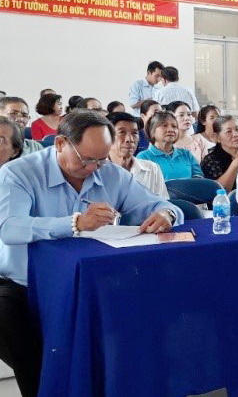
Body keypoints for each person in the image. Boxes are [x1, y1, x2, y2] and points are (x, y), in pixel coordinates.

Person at [0, 110, 182, 397]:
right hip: (26, 286)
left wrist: (165, 214)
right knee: (14, 327)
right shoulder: (19, 173)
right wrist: (74, 223)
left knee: (151, 309)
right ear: (60, 143)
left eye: (101, 159)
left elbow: (161, 205)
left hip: (94, 282)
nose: (94, 168)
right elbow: (11, 228)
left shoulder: (111, 174)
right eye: (86, 160)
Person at [106, 112, 168, 198]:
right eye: (122, 132)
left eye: (134, 133)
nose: (130, 139)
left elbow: (164, 203)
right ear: (106, 136)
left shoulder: (152, 169)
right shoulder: (97, 171)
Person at [137, 110, 204, 180]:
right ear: (152, 131)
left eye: (174, 126)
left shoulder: (186, 154)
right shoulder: (144, 157)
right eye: (164, 125)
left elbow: (199, 178)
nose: (171, 130)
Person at [201, 115, 238, 191]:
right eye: (229, 131)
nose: (236, 134)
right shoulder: (211, 160)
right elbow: (219, 191)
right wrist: (236, 164)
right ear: (217, 137)